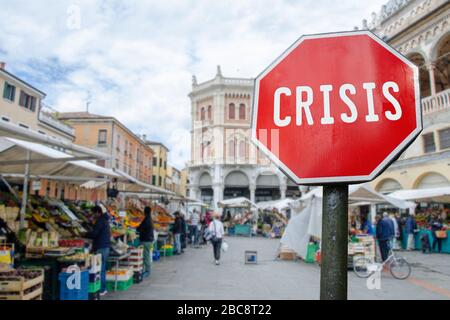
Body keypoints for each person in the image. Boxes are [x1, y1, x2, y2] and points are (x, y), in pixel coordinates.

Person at [86, 205, 111, 296]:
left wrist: (85, 234)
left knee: (100, 269)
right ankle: (102, 288)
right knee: (102, 268)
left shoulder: (100, 221)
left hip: (101, 247)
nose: (93, 215)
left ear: (97, 213)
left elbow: (95, 234)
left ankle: (102, 289)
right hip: (105, 246)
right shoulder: (105, 220)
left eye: (93, 213)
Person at [137, 206, 154, 278]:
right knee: (145, 255)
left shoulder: (147, 220)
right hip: (148, 239)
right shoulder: (149, 219)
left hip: (146, 240)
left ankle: (147, 271)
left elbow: (141, 228)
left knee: (146, 256)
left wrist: (138, 228)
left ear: (145, 212)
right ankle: (145, 270)